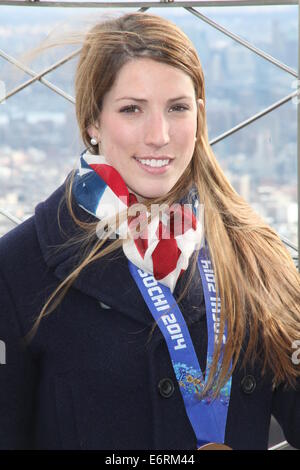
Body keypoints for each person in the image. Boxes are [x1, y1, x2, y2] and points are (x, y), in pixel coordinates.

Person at [0, 11, 299, 451]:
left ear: (199, 118)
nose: (159, 135)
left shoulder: (253, 254)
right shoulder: (19, 269)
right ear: (93, 123)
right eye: (131, 109)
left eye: (177, 108)